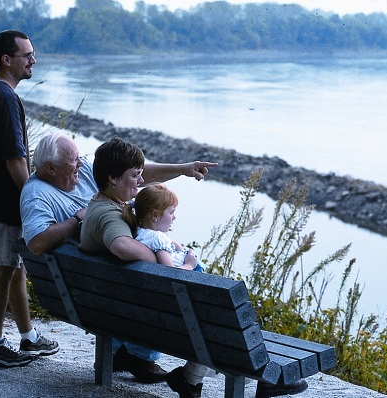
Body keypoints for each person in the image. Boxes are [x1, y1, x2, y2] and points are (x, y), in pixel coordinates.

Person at [78, 138, 308, 398]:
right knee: (223, 326)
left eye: (140, 174)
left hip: (127, 313)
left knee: (215, 321)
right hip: (162, 317)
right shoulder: (111, 217)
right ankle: (264, 378)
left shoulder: (102, 204)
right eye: (135, 176)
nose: (141, 181)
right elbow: (121, 246)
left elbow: (139, 174)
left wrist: (184, 168)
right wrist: (165, 258)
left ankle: (189, 379)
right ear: (112, 178)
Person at [20, 132, 218, 383]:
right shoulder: (38, 194)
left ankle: (120, 352)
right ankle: (140, 356)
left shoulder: (94, 180)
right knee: (171, 291)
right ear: (50, 167)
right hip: (115, 290)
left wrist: (183, 169)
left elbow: (132, 173)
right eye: (74, 161)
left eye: (80, 158)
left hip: (103, 291)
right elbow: (37, 243)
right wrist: (161, 257)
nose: (81, 164)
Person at [0, 30, 59, 368]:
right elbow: (14, 158)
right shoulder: (5, 97)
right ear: (7, 60)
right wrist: (34, 198)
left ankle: (28, 336)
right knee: (3, 268)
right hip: (3, 201)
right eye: (27, 55)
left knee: (15, 268)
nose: (33, 60)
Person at [123, 183, 217, 397]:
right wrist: (191, 264)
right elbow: (171, 272)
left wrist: (174, 244)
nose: (174, 218)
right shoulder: (158, 239)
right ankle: (193, 377)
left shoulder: (138, 233)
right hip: (183, 300)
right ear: (155, 216)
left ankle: (194, 377)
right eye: (171, 213)